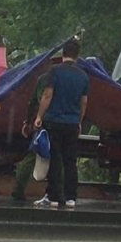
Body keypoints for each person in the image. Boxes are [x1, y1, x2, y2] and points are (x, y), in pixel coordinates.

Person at [33, 39, 89, 209]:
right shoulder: (83, 76)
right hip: (72, 123)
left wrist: (39, 116)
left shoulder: (55, 71)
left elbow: (47, 95)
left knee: (55, 159)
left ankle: (53, 196)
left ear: (63, 53)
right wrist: (79, 121)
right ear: (77, 56)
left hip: (53, 121)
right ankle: (71, 197)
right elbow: (84, 102)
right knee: (70, 160)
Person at [12, 71, 49, 202]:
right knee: (58, 158)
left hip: (39, 123)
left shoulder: (43, 78)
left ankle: (18, 188)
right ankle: (55, 192)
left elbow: (32, 101)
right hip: (58, 122)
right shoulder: (72, 76)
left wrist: (28, 122)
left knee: (32, 154)